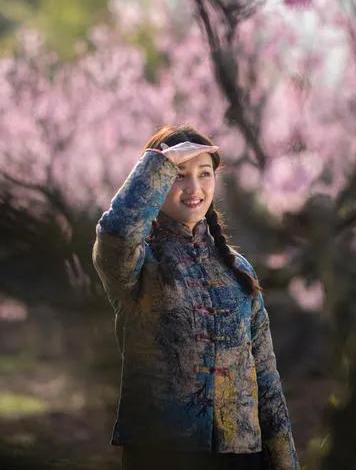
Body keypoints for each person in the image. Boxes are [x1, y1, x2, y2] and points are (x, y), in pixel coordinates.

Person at [92, 124, 299, 470]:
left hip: (241, 455)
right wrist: (160, 162)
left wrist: (283, 461)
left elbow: (265, 375)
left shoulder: (238, 268)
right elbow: (115, 233)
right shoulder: (140, 262)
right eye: (179, 175)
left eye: (205, 174)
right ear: (158, 182)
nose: (194, 188)